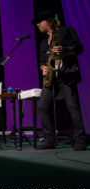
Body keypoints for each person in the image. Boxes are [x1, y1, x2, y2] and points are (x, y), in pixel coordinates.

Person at [32, 10, 87, 150]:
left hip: (66, 75)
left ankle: (80, 139)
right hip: (50, 78)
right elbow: (41, 62)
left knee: (72, 107)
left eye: (40, 22)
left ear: (48, 21)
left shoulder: (66, 31)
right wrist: (43, 67)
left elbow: (79, 48)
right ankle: (49, 139)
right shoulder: (44, 42)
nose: (37, 25)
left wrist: (66, 50)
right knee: (42, 106)